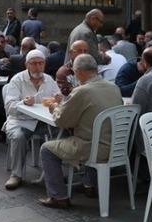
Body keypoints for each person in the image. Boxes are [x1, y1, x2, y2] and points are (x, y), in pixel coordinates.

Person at [38, 54, 123, 208]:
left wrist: (54, 108)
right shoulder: (113, 87)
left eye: (75, 72)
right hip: (116, 146)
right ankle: (89, 185)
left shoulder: (82, 91)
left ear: (80, 72)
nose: (74, 75)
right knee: (89, 133)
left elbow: (61, 120)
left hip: (92, 148)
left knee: (46, 149)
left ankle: (59, 196)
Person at [2, 49, 60, 190]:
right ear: (27, 65)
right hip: (20, 120)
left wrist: (59, 99)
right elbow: (9, 107)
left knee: (62, 131)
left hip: (43, 121)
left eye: (41, 63)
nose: (38, 67)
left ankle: (55, 173)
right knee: (18, 136)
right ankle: (16, 175)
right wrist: (23, 103)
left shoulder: (49, 79)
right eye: (34, 64)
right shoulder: (17, 80)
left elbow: (56, 100)